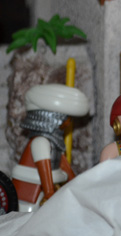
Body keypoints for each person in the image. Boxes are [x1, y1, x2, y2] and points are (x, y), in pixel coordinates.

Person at [12, 84, 89, 212]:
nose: (68, 122)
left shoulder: (54, 142)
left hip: (50, 188)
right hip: (33, 193)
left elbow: (63, 164)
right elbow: (44, 169)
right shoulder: (40, 142)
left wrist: (76, 184)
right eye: (66, 118)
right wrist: (49, 193)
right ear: (53, 118)